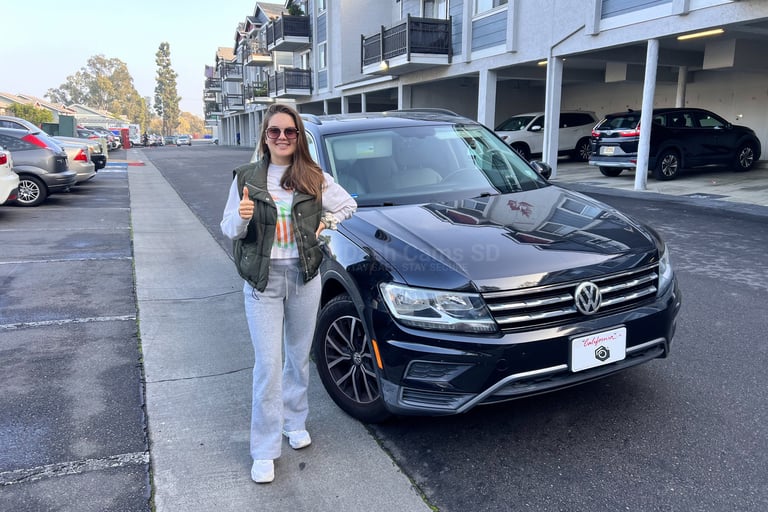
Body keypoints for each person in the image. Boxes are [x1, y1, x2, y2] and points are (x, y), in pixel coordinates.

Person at [220, 103, 357, 484]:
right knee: (267, 365)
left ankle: (294, 422)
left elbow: (349, 204)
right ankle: (263, 449)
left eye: (289, 132)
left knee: (297, 358)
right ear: (264, 136)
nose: (282, 137)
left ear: (298, 138)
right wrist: (243, 215)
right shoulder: (246, 177)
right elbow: (228, 228)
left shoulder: (313, 176)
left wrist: (327, 221)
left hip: (304, 277)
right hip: (262, 281)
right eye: (274, 131)